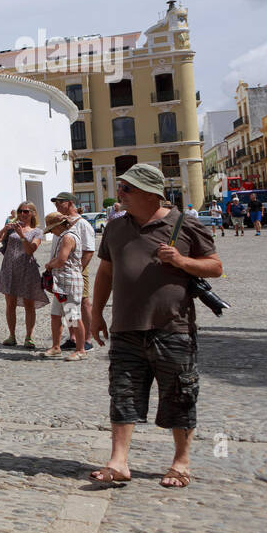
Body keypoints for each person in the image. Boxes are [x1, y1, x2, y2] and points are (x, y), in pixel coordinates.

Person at [87, 164, 222, 488]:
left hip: (173, 327)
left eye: (126, 189)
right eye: (121, 187)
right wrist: (96, 313)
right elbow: (105, 273)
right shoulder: (116, 229)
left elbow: (215, 266)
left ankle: (181, 462)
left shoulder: (185, 225)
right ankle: (118, 462)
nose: (120, 194)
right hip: (126, 328)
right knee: (122, 393)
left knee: (180, 395)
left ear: (150, 193)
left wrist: (181, 261)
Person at [0, 201, 47, 348]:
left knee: (29, 303)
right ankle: (12, 335)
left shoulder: (37, 231)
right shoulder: (11, 229)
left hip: (27, 269)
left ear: (33, 213)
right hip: (9, 268)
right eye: (20, 211)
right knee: (10, 303)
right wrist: (4, 229)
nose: (23, 214)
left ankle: (29, 336)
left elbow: (30, 250)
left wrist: (22, 235)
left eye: (26, 211)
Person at [51, 192, 95, 352]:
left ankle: (87, 339)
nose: (56, 206)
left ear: (70, 203)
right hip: (62, 270)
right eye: (55, 203)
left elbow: (89, 250)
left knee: (83, 302)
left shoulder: (82, 224)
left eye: (59, 203)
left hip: (76, 268)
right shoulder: (61, 222)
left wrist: (77, 270)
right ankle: (73, 337)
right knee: (67, 304)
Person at [39, 212, 85, 360]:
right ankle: (56, 347)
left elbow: (61, 260)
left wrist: (49, 265)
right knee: (56, 314)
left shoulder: (68, 237)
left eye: (52, 229)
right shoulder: (65, 236)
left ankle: (81, 350)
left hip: (70, 281)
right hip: (62, 282)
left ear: (58, 226)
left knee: (73, 316)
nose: (52, 232)